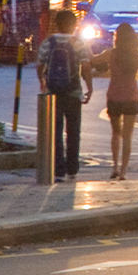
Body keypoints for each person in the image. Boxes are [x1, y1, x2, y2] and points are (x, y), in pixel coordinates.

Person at [36, 10, 94, 181]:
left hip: (53, 94)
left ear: (57, 24)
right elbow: (86, 67)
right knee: (73, 131)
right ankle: (72, 169)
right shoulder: (78, 43)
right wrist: (89, 88)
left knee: (55, 132)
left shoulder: (48, 42)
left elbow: (40, 65)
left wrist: (43, 81)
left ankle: (58, 170)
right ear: (74, 25)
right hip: (73, 92)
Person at [104, 24, 138, 181]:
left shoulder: (111, 54)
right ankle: (123, 171)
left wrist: (85, 49)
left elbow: (93, 60)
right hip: (131, 97)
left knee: (115, 133)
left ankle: (114, 166)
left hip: (114, 96)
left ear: (117, 37)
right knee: (127, 136)